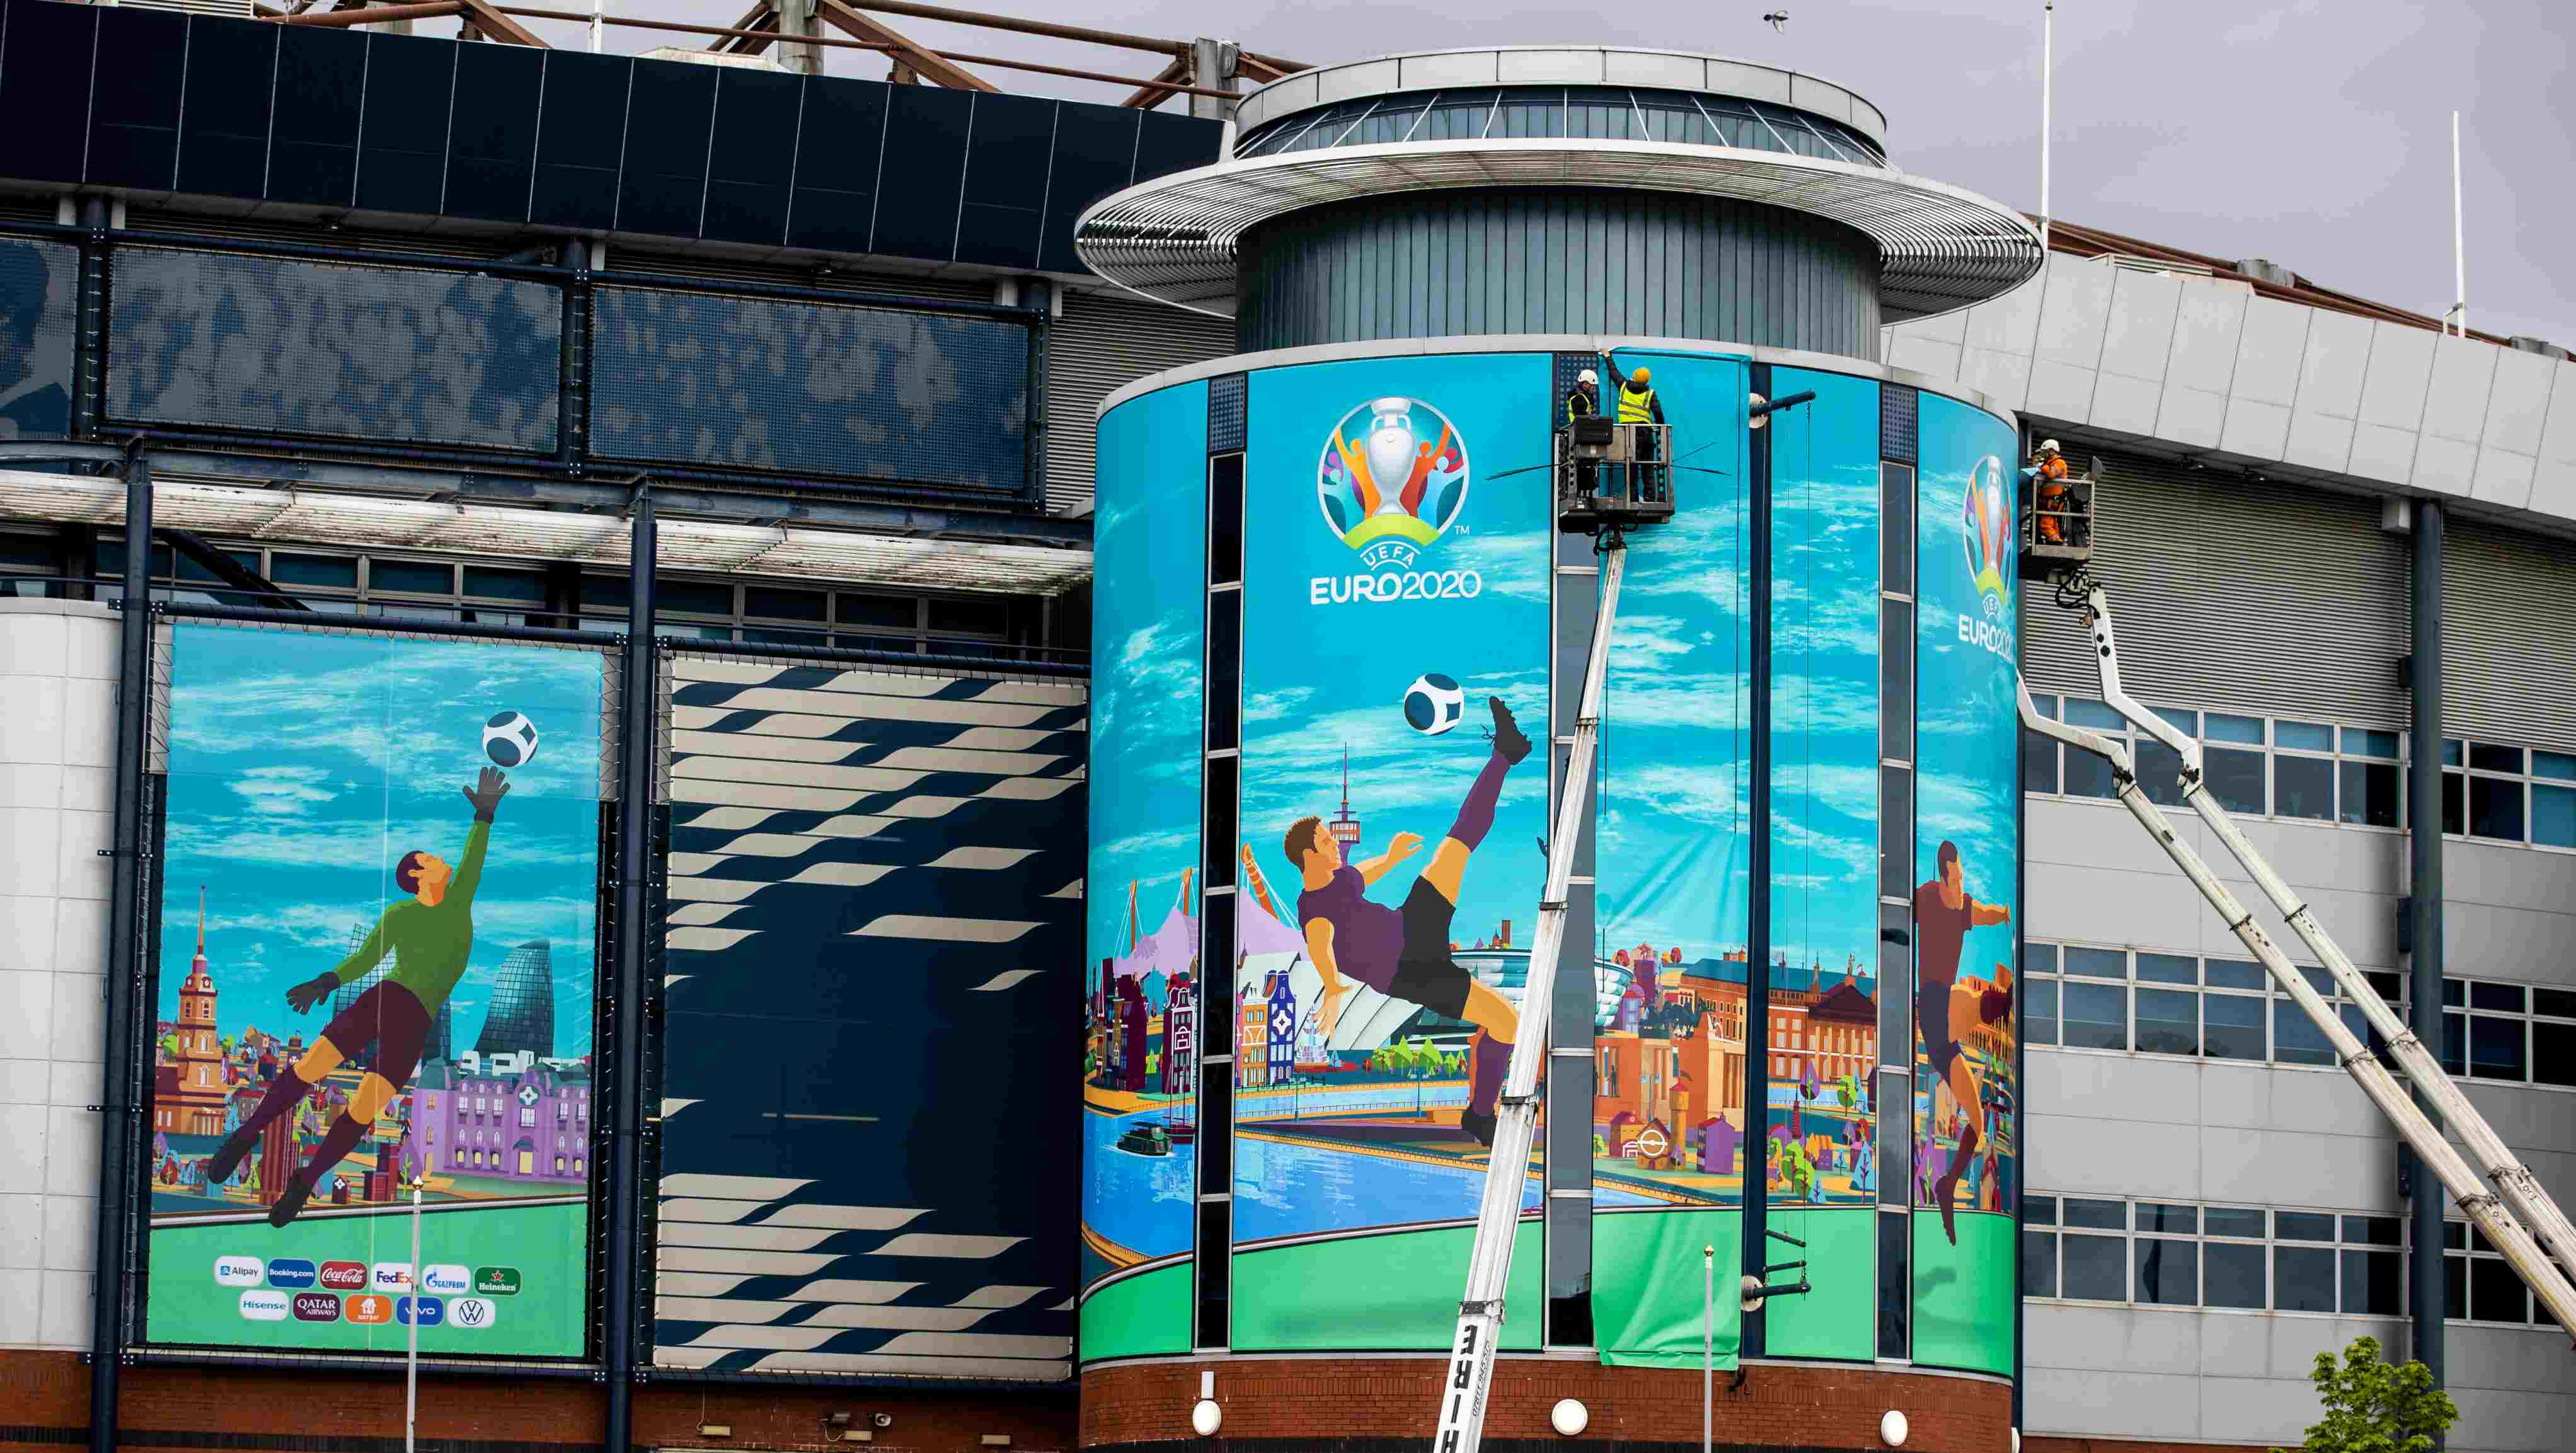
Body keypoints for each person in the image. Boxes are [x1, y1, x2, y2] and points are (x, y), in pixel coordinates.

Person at [202, 766, 510, 1227]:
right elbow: (367, 960)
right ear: (418, 875)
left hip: (415, 1024)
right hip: (384, 999)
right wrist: (327, 981)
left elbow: (474, 860)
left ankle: (304, 1183)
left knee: (363, 1109)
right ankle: (244, 1138)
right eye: (430, 858)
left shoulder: (458, 898)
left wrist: (484, 816)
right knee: (309, 1069)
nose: (441, 860)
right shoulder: (401, 914)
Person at [1289, 697, 1532, 1146]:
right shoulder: (1312, 908)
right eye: (1326, 839)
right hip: (1410, 971)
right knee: (1508, 1023)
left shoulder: (1339, 879)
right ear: (1308, 855)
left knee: (1457, 844)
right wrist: (1332, 984)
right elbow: (1320, 944)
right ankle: (1480, 1115)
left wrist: (1394, 856)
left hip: (1411, 925)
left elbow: (1364, 874)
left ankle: (1505, 755)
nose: (1332, 844)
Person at [1912, 839, 2013, 1244]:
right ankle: (2004, 1001)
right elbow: (1896, 913)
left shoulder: (1962, 909)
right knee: (1977, 1002)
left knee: (1978, 1124)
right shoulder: (1926, 899)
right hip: (1934, 1004)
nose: (1962, 878)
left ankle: (1947, 1186)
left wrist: (2006, 913)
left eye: (1963, 873)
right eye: (1957, 873)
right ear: (1944, 872)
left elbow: (1986, 914)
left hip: (1942, 1042)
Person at [1604, 358, 1667, 501]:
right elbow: (1657, 412)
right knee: (1648, 466)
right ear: (1646, 381)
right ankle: (1650, 497)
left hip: (1629, 433)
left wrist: (1608, 357)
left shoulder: (1624, 386)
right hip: (1646, 432)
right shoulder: (1650, 393)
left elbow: (1614, 372)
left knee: (1631, 465)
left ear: (1634, 375)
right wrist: (1661, 427)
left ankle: (1633, 497)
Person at [1563, 367, 1602, 500]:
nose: (1594, 389)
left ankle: (1585, 493)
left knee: (1587, 466)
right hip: (1579, 436)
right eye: (1592, 386)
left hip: (1583, 436)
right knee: (1580, 467)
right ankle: (1579, 494)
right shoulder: (1579, 399)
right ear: (1585, 384)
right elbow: (1582, 418)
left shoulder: (1584, 398)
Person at [2025, 438, 2072, 544]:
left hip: (2054, 500)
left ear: (2051, 451)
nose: (2043, 455)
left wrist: (2042, 466)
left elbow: (2051, 474)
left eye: (2045, 452)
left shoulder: (2060, 463)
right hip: (2049, 500)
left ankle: (2057, 541)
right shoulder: (2051, 463)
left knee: (2045, 524)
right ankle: (2055, 540)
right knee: (2052, 523)